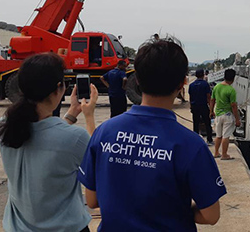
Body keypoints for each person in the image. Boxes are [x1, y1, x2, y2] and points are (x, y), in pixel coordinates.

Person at [78, 38, 225, 230]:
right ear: (182, 82)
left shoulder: (105, 132)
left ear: (137, 79)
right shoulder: (190, 145)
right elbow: (211, 215)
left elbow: (92, 200)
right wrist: (171, 209)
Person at [0, 53, 98, 232]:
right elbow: (97, 167)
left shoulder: (5, 125)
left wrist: (72, 114)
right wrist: (89, 116)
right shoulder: (75, 138)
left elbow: (46, 138)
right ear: (59, 87)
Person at [210, 69, 240, 160]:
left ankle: (216, 152)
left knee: (218, 135)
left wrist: (211, 111)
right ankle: (224, 154)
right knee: (226, 135)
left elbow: (212, 100)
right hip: (227, 115)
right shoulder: (231, 90)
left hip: (218, 115)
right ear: (233, 78)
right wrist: (237, 119)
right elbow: (233, 106)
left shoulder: (217, 87)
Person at [189, 69, 214, 145]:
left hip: (194, 106)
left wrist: (191, 106)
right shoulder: (205, 84)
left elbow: (190, 97)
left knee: (195, 124)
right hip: (203, 106)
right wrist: (211, 109)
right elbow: (208, 97)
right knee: (207, 123)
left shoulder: (191, 85)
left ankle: (196, 140)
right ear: (203, 75)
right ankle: (209, 140)